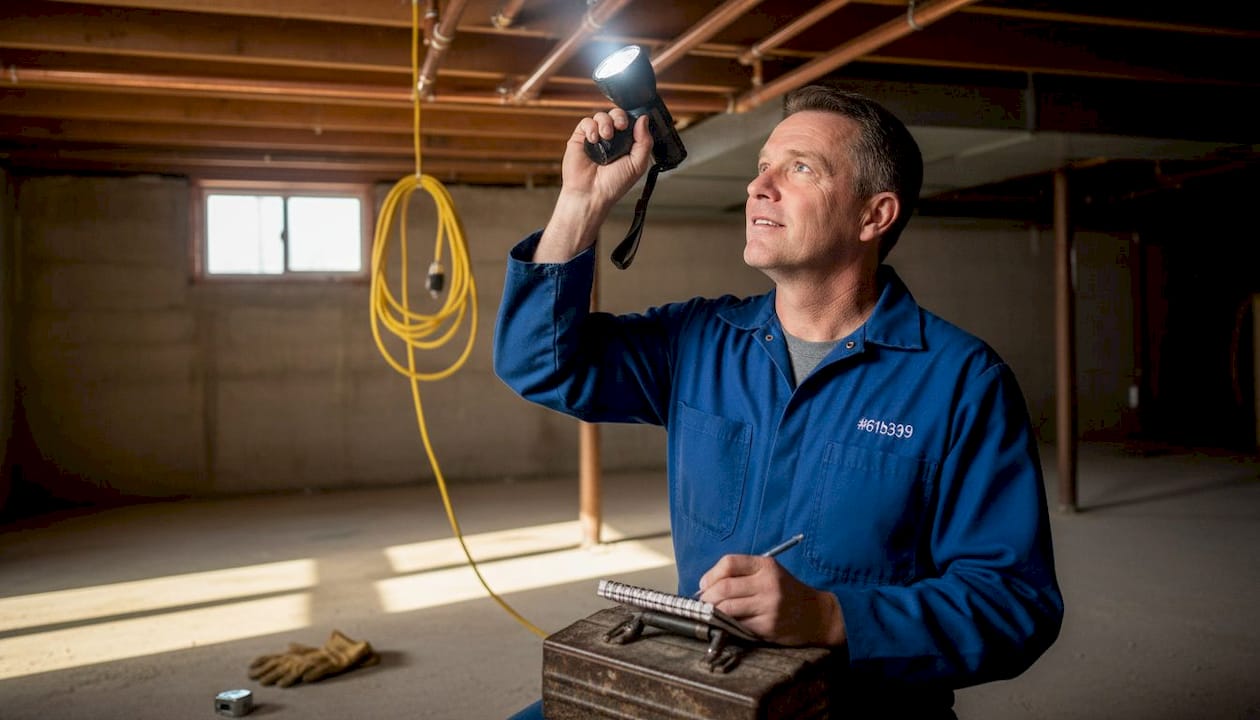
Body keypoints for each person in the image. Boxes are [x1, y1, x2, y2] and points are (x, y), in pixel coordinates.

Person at [494, 85, 1063, 717]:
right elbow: (539, 363)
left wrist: (831, 616)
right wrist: (582, 201)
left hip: (855, 705)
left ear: (872, 217)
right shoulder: (699, 340)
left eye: (799, 168)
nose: (758, 186)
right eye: (762, 165)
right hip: (703, 681)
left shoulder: (961, 382)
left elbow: (1015, 602)